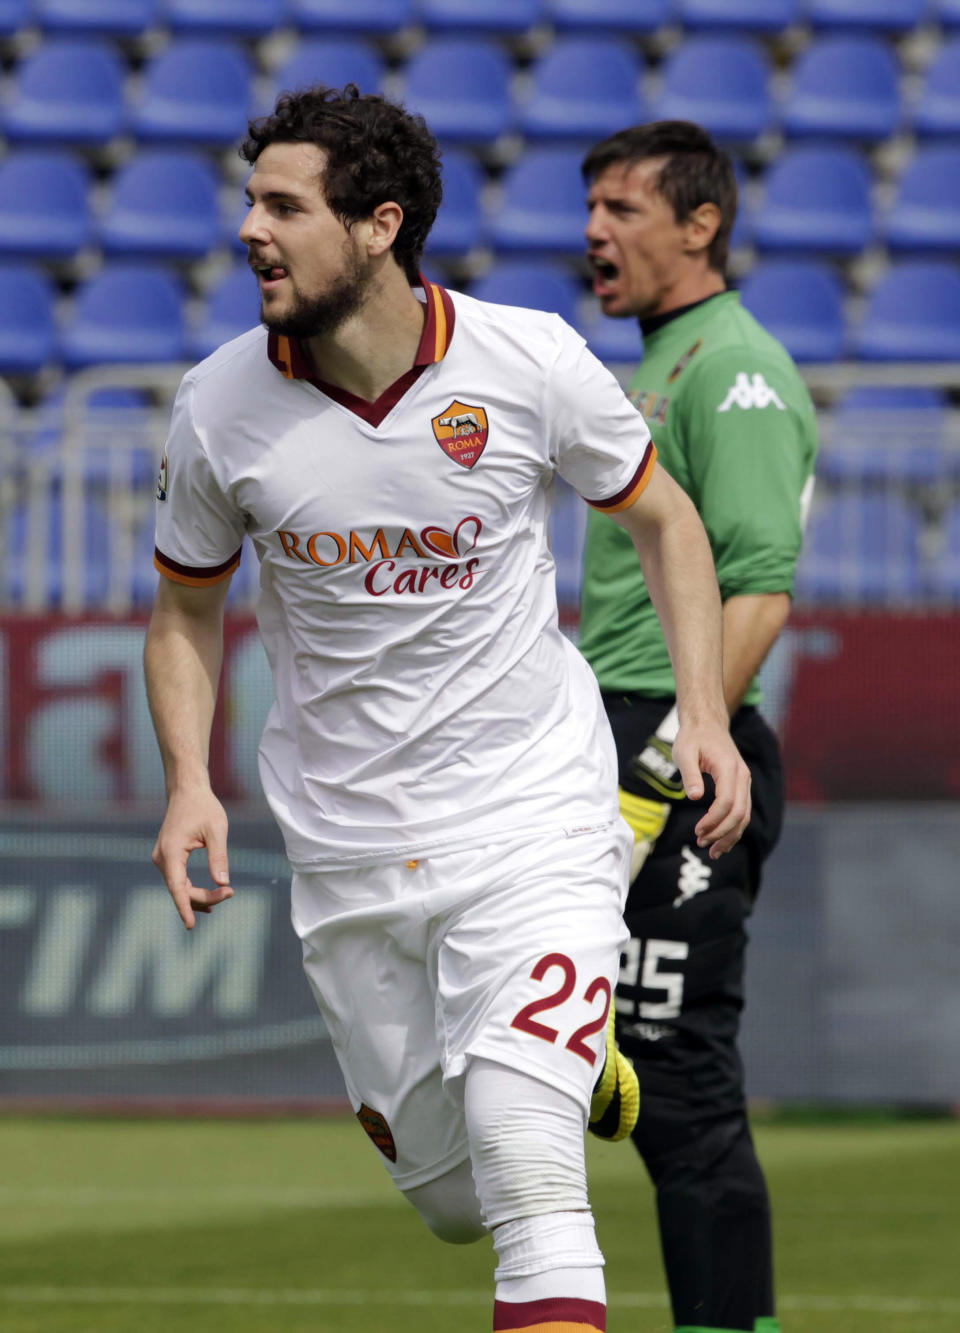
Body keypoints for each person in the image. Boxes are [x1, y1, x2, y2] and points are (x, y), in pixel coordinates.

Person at [145, 86, 751, 1333]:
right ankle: (580, 1066)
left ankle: (550, 1071)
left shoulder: (525, 361)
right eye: (251, 201)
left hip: (532, 814)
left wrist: (705, 708)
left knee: (528, 1165)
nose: (249, 230)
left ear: (378, 225)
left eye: (282, 206)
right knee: (455, 1197)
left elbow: (665, 520)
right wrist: (189, 780)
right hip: (351, 844)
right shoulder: (217, 407)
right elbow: (185, 613)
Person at [580, 121, 819, 1333]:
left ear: (700, 222)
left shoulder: (735, 369)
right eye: (593, 208)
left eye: (622, 209)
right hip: (617, 735)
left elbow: (762, 586)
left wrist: (674, 759)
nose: (594, 232)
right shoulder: (662, 362)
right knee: (562, 1060)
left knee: (676, 1078)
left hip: (684, 756)